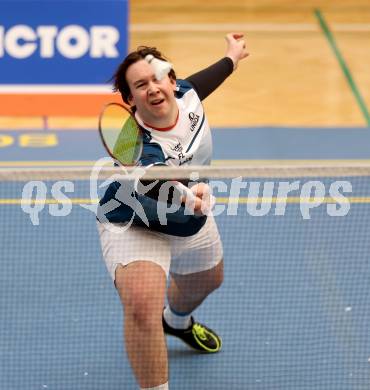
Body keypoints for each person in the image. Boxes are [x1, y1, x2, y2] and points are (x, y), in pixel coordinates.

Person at [97, 33, 249, 390]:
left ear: (171, 79)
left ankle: (176, 322)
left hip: (183, 218)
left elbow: (203, 81)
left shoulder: (185, 92)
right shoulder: (134, 140)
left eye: (156, 78)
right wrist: (188, 197)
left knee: (209, 280)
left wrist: (231, 56)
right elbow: (152, 181)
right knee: (140, 304)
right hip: (135, 222)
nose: (152, 88)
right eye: (140, 85)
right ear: (130, 98)